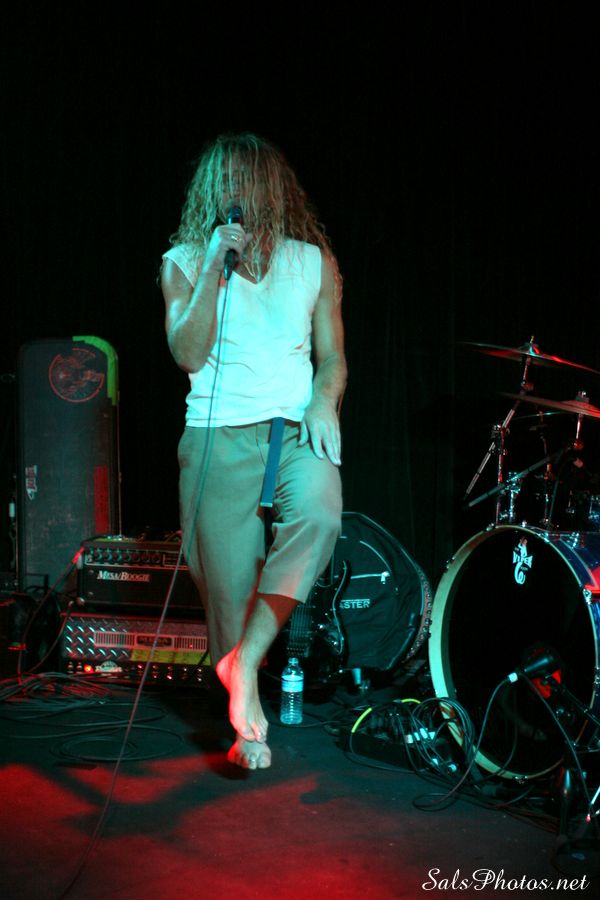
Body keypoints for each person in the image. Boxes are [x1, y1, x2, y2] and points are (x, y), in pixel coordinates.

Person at [161, 133, 346, 769]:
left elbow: (333, 357)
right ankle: (246, 721)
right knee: (228, 588)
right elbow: (187, 353)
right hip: (218, 435)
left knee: (319, 515)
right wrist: (215, 261)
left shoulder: (311, 261)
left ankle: (245, 662)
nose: (233, 193)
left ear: (272, 188)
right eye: (223, 182)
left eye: (245, 181)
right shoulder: (185, 262)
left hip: (294, 427)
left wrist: (324, 401)